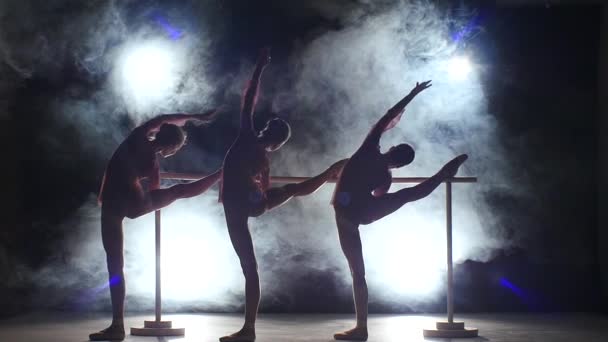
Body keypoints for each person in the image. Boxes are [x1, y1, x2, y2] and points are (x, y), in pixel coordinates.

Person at [219, 48, 346, 342]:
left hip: (239, 205)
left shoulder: (248, 139)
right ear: (277, 144)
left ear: (267, 133)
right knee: (292, 190)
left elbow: (248, 103)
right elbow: (249, 102)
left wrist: (260, 68)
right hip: (253, 202)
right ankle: (328, 173)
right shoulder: (261, 154)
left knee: (250, 266)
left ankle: (248, 330)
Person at [331, 80, 468, 341]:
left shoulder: (370, 149)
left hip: (348, 213)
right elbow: (380, 195)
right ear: (399, 165)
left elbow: (387, 117)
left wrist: (413, 93)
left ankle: (361, 328)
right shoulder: (386, 177)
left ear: (392, 149)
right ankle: (443, 173)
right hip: (360, 213)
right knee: (407, 195)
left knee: (358, 272)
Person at [89, 112, 222, 341]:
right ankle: (220, 174)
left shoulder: (137, 137)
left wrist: (194, 116)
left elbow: (162, 118)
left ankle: (118, 325)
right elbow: (154, 192)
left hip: (113, 204)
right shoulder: (152, 164)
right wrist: (195, 116)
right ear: (171, 147)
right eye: (177, 149)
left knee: (115, 264)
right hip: (132, 204)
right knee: (178, 191)